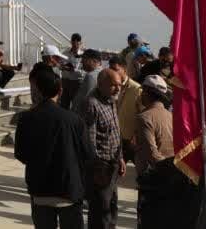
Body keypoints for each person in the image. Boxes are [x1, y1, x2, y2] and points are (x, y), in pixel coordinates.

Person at [15, 67, 91, 229]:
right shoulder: (74, 120)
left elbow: (21, 153)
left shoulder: (26, 118)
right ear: (60, 91)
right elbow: (87, 154)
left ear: (37, 90)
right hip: (69, 189)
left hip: (40, 189)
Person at [82, 68, 124, 229]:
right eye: (113, 85)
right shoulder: (92, 104)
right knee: (100, 211)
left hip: (113, 164)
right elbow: (90, 141)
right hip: (101, 168)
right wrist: (97, 170)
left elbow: (115, 132)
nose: (118, 89)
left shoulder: (111, 100)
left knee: (111, 208)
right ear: (100, 84)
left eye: (119, 84)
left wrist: (120, 157)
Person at [134, 74, 173, 176]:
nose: (141, 95)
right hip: (171, 172)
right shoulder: (171, 116)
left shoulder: (144, 118)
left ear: (147, 94)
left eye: (142, 92)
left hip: (154, 176)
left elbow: (151, 154)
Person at [108, 57, 141, 164]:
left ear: (125, 70)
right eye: (110, 69)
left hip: (130, 139)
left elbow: (142, 115)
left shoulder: (136, 89)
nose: (113, 72)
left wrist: (136, 135)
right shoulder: (108, 87)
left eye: (115, 69)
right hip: (113, 137)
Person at [69, 49, 104, 115]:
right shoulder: (101, 73)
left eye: (84, 59)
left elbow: (85, 99)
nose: (81, 62)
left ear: (94, 61)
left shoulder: (91, 76)